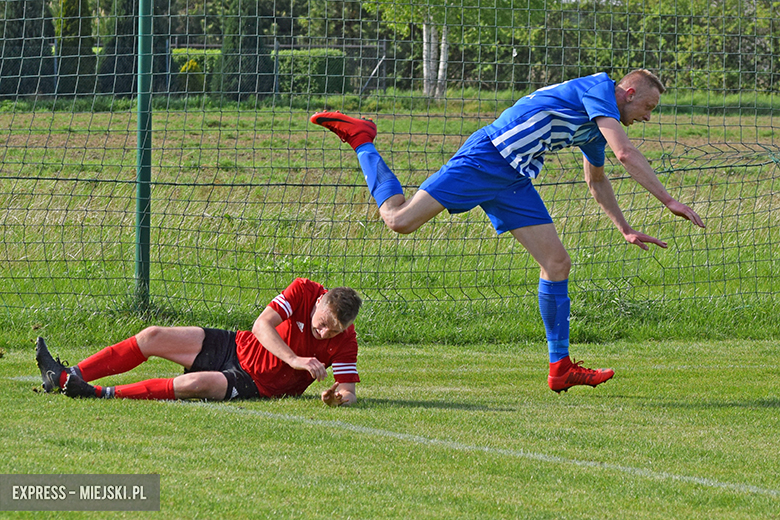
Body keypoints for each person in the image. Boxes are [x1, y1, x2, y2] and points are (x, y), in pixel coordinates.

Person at [310, 69, 705, 393]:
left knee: (557, 262)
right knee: (398, 220)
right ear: (629, 91)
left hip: (514, 177)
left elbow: (597, 180)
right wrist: (668, 200)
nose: (648, 116)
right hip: (488, 156)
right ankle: (362, 139)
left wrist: (625, 228)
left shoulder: (595, 123)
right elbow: (626, 153)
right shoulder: (598, 90)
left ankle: (560, 368)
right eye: (648, 107)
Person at [35, 278, 363, 406]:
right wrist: (296, 359)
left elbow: (347, 390)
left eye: (332, 332)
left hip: (257, 383)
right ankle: (64, 377)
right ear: (320, 301)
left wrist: (337, 398)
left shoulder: (347, 341)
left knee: (192, 383)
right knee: (153, 335)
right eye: (321, 326)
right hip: (237, 345)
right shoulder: (304, 290)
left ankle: (94, 392)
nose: (323, 335)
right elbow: (262, 325)